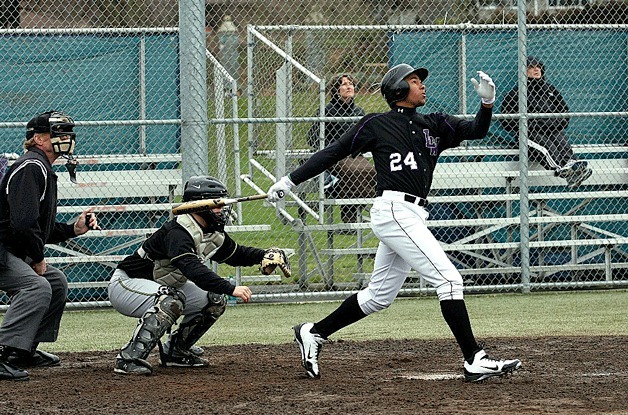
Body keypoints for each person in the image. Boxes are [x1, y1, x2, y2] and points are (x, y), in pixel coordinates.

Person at [267, 63, 522, 383]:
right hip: (394, 211)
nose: (422, 86)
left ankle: (313, 332)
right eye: (415, 82)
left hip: (412, 215)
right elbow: (333, 152)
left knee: (378, 297)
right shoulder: (376, 123)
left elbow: (477, 131)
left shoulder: (435, 123)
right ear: (398, 90)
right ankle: (475, 359)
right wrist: (289, 181)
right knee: (450, 281)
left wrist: (486, 105)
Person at [108, 175, 290, 376]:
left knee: (214, 299)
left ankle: (176, 352)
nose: (222, 209)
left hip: (162, 285)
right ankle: (129, 358)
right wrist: (230, 288)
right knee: (170, 300)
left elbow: (237, 254)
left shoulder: (210, 232)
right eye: (217, 204)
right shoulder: (177, 232)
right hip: (127, 284)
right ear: (200, 206)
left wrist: (264, 254)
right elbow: (192, 269)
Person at [0, 110, 99, 381]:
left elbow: (37, 226)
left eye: (68, 133)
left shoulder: (41, 166)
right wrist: (37, 257)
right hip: (3, 250)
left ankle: (22, 350)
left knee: (56, 283)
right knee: (37, 286)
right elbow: (22, 224)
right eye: (59, 133)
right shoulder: (31, 166)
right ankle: (2, 352)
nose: (66, 138)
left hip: (10, 249)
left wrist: (73, 229)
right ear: (39, 139)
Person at [500, 56, 592, 188]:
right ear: (524, 72)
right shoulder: (516, 93)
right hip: (529, 134)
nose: (536, 69)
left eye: (538, 66)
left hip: (551, 130)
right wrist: (536, 125)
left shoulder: (550, 90)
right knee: (546, 145)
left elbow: (564, 113)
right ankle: (562, 169)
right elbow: (507, 122)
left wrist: (552, 124)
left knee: (560, 139)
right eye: (531, 67)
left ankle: (572, 165)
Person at [307, 73, 376, 223]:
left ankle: (349, 212)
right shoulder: (326, 111)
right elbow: (311, 138)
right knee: (355, 172)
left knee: (371, 172)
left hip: (355, 154)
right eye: (343, 84)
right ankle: (348, 216)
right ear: (335, 89)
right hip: (335, 155)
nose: (348, 86)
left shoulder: (359, 112)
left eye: (350, 83)